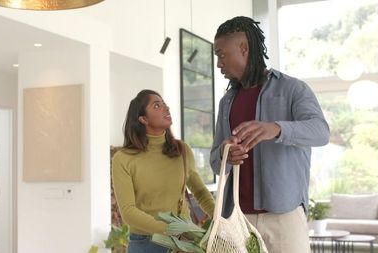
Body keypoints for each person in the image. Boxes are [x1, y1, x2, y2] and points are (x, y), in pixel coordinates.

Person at [210, 16, 330, 253]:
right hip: (238, 219)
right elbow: (216, 163)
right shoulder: (227, 102)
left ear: (243, 49)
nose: (218, 64)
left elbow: (321, 131)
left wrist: (276, 129)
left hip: (284, 218)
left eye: (222, 55)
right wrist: (226, 154)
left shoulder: (293, 89)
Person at [112, 89, 215, 253]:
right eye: (157, 106)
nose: (166, 109)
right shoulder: (123, 159)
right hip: (146, 244)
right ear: (143, 119)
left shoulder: (182, 150)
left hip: (185, 244)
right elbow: (128, 212)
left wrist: (220, 221)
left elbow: (200, 192)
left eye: (165, 104)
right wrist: (172, 231)